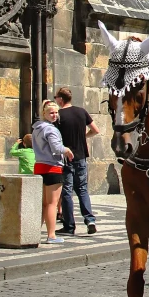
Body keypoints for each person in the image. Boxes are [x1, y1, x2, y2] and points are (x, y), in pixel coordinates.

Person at [55, 87, 99, 236]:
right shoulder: (81, 111)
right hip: (81, 156)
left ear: (61, 99)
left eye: (56, 97)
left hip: (66, 157)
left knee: (67, 191)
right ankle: (90, 220)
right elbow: (95, 130)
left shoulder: (59, 115)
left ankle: (69, 226)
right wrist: (84, 136)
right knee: (82, 189)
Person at [34, 101, 73, 244]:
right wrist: (66, 150)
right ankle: (51, 235)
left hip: (39, 166)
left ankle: (33, 232)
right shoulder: (51, 129)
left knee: (43, 203)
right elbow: (56, 148)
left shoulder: (36, 128)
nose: (54, 115)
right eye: (51, 113)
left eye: (56, 112)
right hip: (52, 167)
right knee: (52, 203)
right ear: (44, 113)